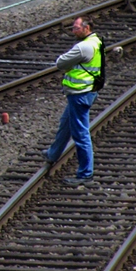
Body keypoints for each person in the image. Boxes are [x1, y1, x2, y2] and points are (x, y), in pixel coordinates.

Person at [43, 15, 102, 185]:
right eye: (73, 28)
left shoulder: (83, 47)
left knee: (80, 133)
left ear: (86, 28)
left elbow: (60, 63)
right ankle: (53, 153)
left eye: (76, 28)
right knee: (65, 123)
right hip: (87, 91)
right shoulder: (96, 41)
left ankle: (85, 174)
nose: (73, 31)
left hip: (80, 93)